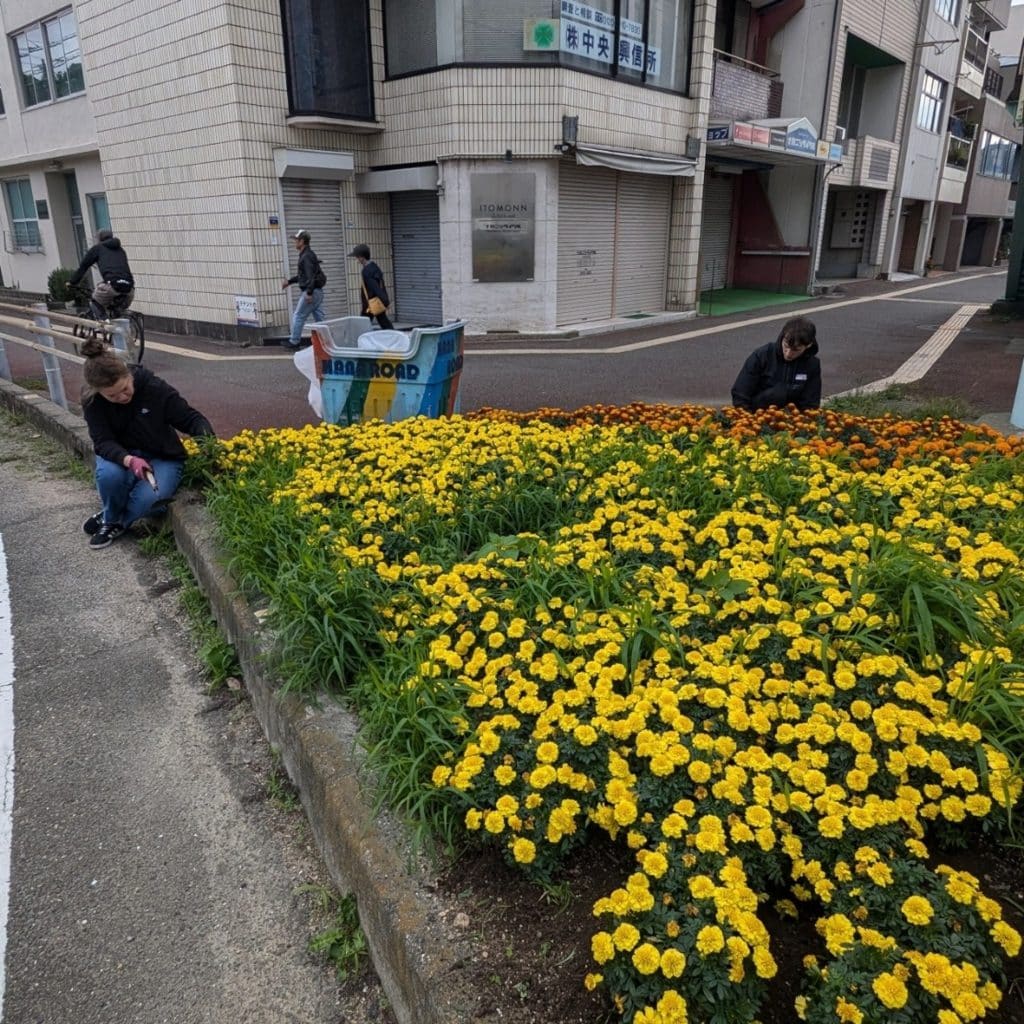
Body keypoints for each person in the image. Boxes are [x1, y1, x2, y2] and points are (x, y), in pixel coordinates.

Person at [80, 337, 215, 550]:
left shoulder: (153, 387)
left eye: (125, 388)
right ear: (99, 393)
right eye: (111, 396)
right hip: (122, 454)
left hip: (162, 455)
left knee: (154, 500)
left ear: (128, 375)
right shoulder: (93, 402)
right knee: (109, 476)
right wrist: (129, 460)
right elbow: (102, 441)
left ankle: (113, 520)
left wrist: (207, 442)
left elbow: (190, 418)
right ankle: (111, 517)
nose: (122, 397)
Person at [731, 316, 821, 412]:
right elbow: (740, 394)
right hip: (756, 415)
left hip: (792, 420)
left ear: (808, 345)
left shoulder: (812, 365)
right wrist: (748, 419)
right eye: (786, 346)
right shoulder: (762, 355)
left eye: (796, 350)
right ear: (783, 336)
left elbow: (811, 404)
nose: (788, 353)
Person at [68, 229, 135, 319]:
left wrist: (72, 282)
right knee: (116, 310)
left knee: (95, 302)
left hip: (112, 286)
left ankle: (104, 323)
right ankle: (118, 323)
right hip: (129, 290)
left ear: (99, 238)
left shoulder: (97, 249)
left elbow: (84, 266)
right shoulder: (121, 250)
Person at [281, 229, 327, 350]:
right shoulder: (307, 254)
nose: (294, 242)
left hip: (312, 291)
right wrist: (289, 282)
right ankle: (326, 341)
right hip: (317, 291)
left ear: (302, 241)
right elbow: (304, 276)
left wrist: (309, 293)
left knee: (299, 315)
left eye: (296, 240)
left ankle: (294, 341)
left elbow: (310, 275)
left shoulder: (306, 256)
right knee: (320, 319)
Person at [348, 243, 393, 330]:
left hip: (370, 304)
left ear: (361, 257)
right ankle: (395, 337)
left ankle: (359, 341)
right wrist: (384, 300)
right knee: (384, 322)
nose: (356, 259)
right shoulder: (374, 267)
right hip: (377, 301)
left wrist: (385, 301)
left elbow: (375, 287)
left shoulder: (367, 271)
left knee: (362, 326)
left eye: (357, 257)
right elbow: (381, 285)